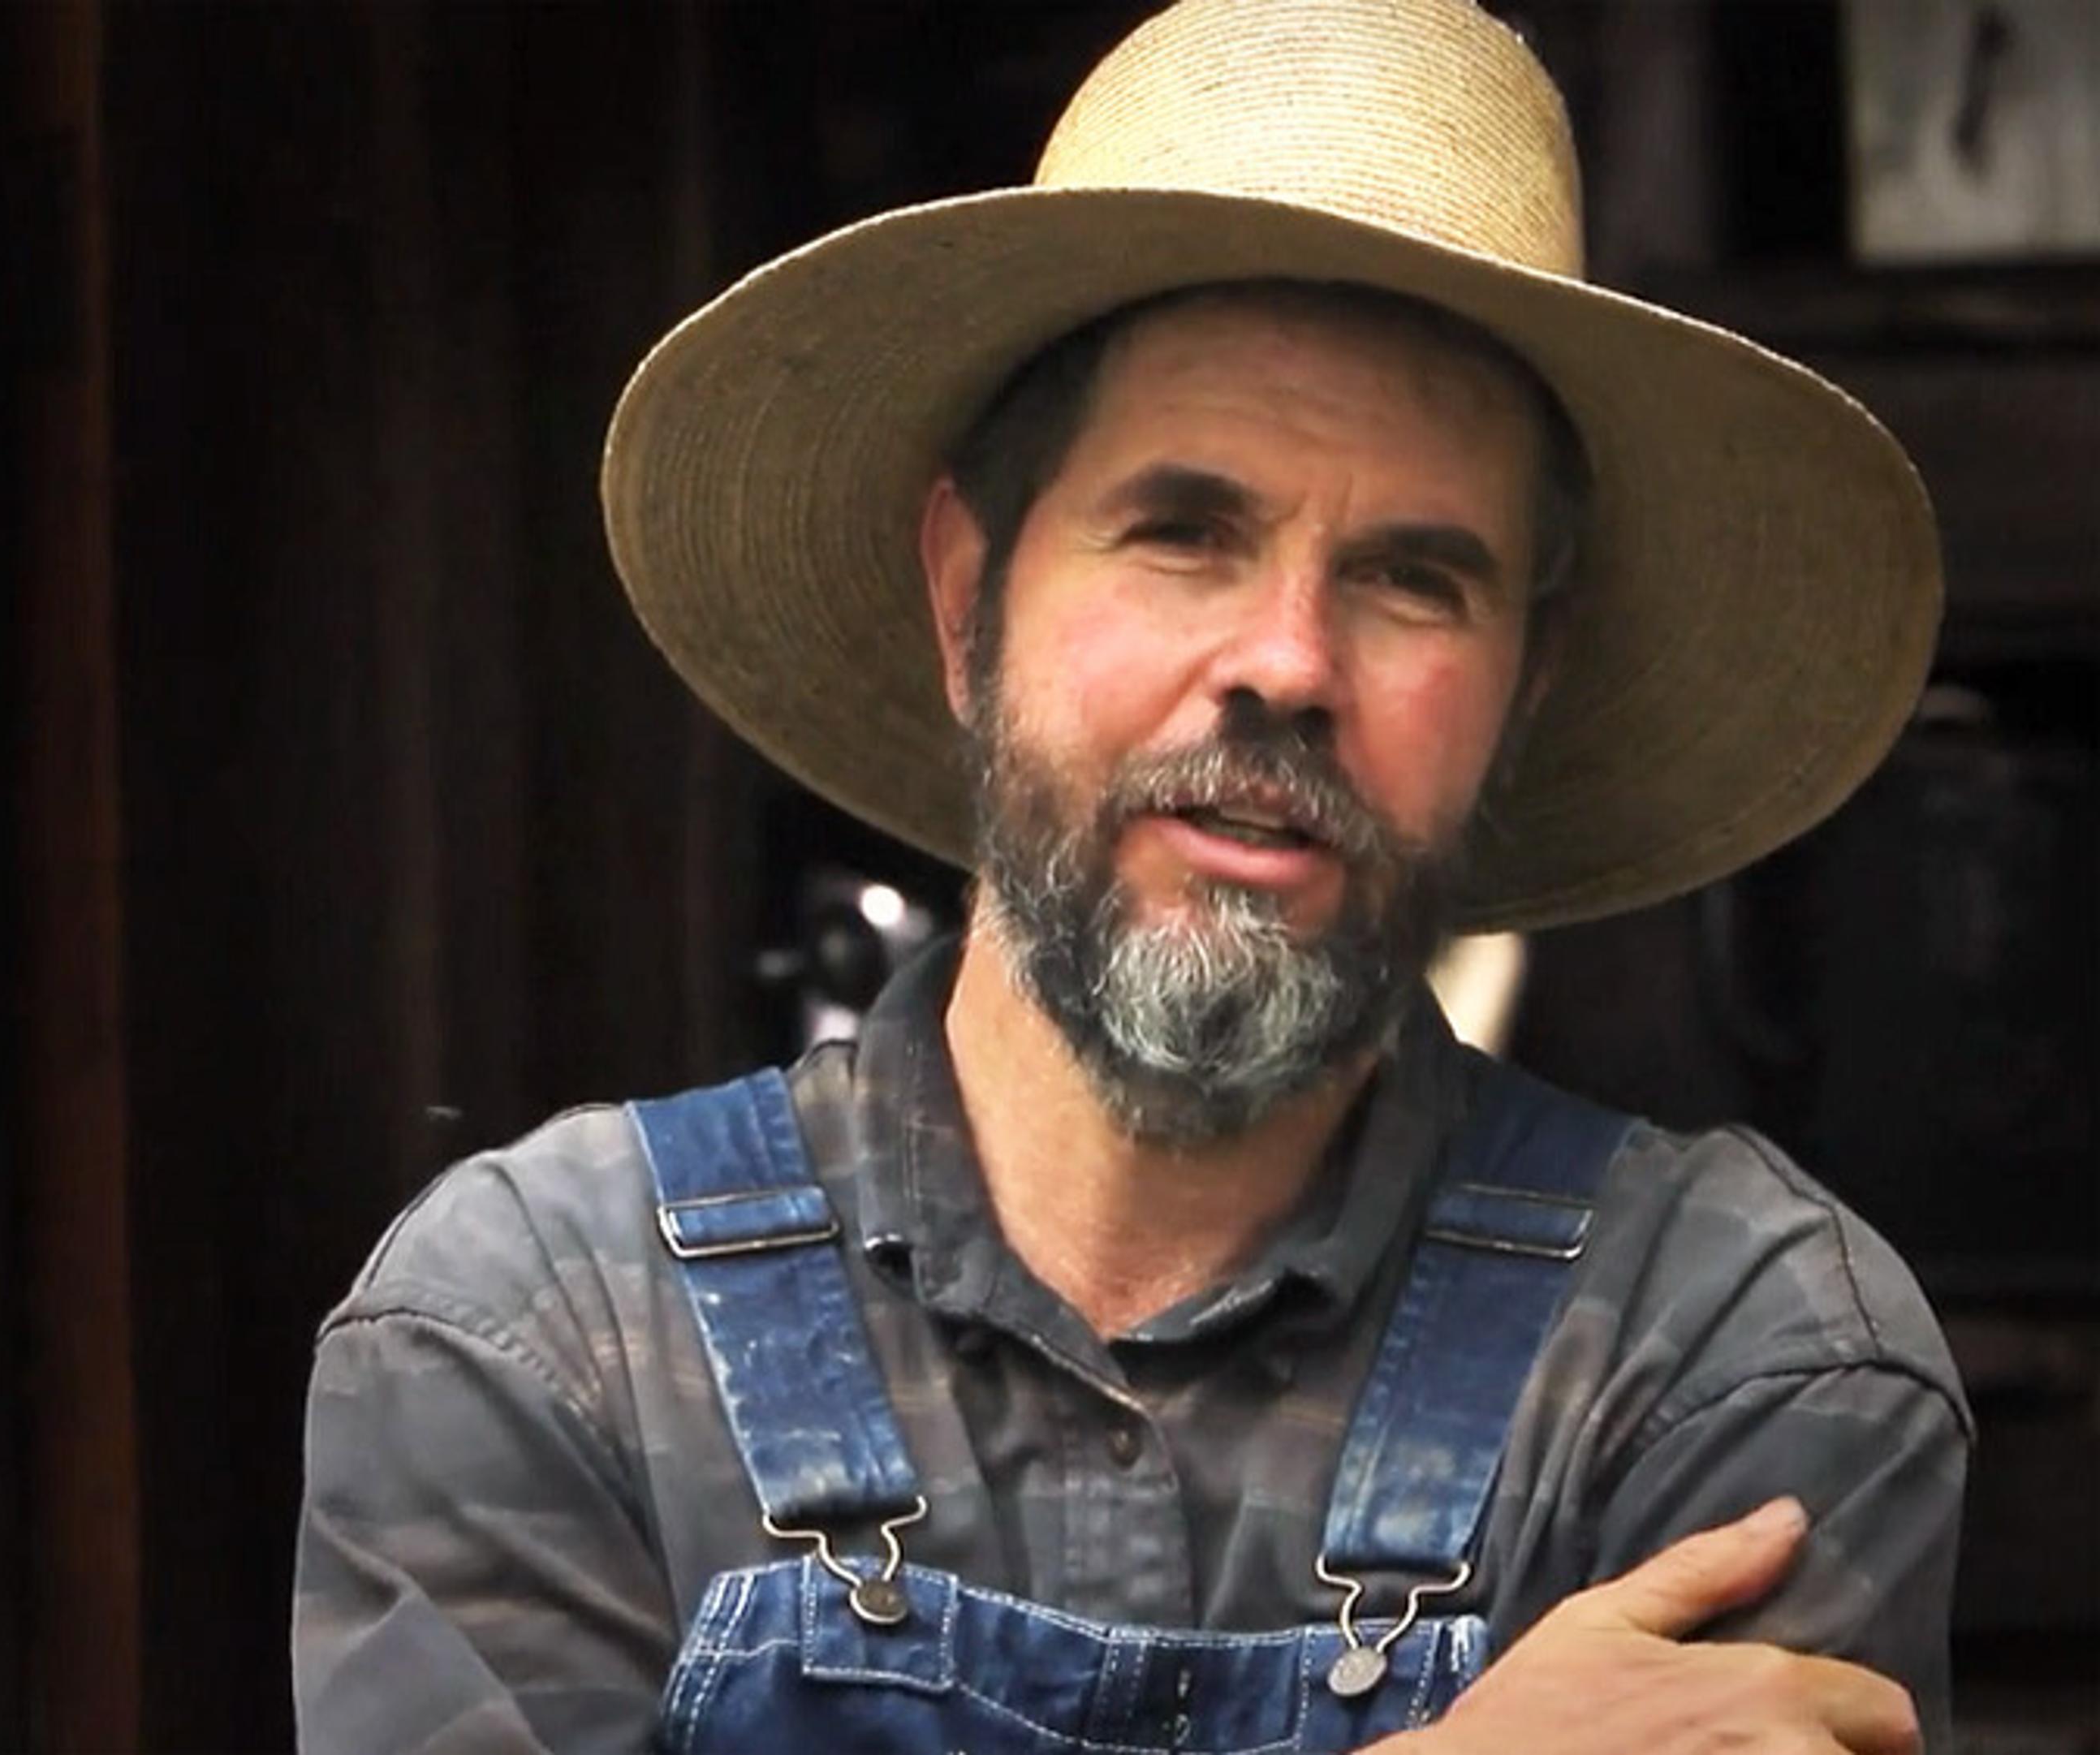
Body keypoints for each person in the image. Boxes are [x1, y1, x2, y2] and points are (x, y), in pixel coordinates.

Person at [292, 2, 1968, 1751]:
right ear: (968, 595)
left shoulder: (1723, 1355)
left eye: (1413, 577)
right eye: (1187, 532)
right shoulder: (546, 1334)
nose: (1288, 661)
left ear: (1521, 689)